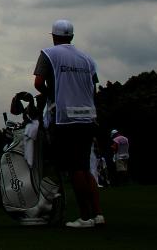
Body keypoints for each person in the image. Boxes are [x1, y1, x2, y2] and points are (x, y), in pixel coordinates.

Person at [33, 19, 105, 228]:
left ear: (54, 36)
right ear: (71, 36)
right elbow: (92, 88)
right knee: (85, 166)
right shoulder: (87, 59)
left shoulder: (49, 54)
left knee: (74, 169)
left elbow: (38, 83)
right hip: (88, 116)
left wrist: (52, 97)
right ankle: (98, 214)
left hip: (65, 118)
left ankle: (85, 217)